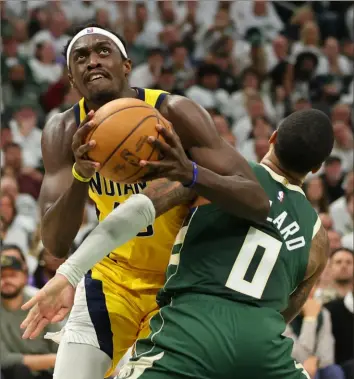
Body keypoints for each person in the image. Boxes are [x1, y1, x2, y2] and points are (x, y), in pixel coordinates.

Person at [20, 23, 269, 379]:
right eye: (81, 56)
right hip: (113, 277)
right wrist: (80, 176)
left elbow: (257, 201)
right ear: (72, 79)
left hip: (181, 283)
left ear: (126, 66)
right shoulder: (63, 130)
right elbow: (55, 243)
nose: (92, 61)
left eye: (103, 51)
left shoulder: (176, 113)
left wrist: (190, 172)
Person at [22, 109, 333, 379]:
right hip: (264, 350)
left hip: (189, 330)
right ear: (317, 168)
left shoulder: (220, 171)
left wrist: (69, 272)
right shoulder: (319, 238)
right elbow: (285, 312)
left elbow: (134, 212)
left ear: (273, 138)